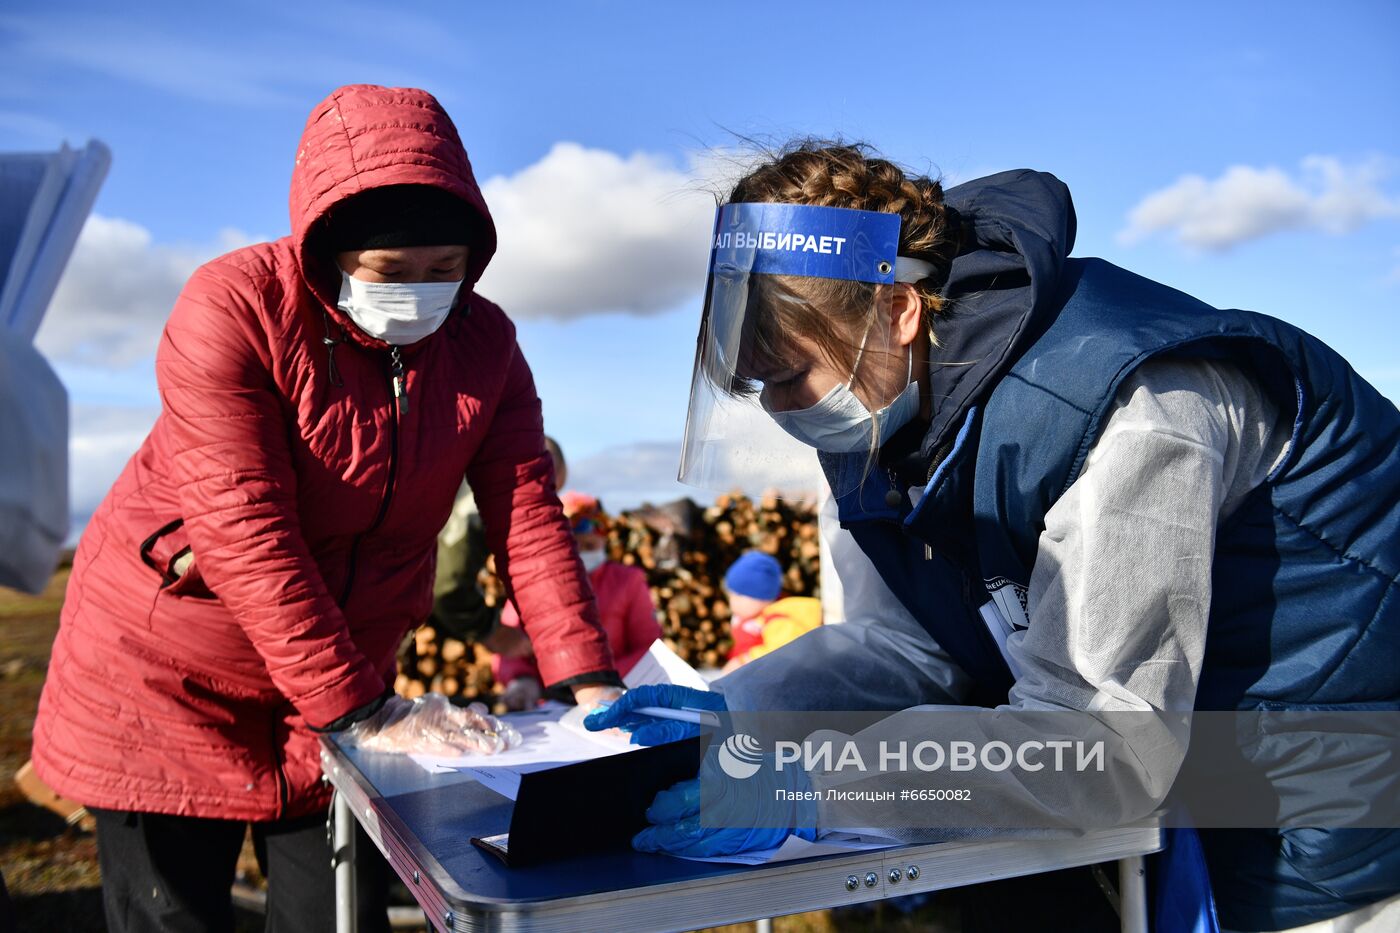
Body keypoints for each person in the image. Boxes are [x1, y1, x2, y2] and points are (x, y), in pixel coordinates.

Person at [588, 142, 1400, 932]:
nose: (782, 411)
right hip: (1180, 790)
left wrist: (817, 783)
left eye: (793, 376)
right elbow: (910, 647)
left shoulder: (1131, 403)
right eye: (761, 387)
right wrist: (741, 713)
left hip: (1324, 802)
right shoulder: (883, 425)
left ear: (899, 311)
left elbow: (1102, 743)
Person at [30, 84, 622, 933]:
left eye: (444, 272)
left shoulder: (486, 344)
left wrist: (586, 677)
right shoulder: (233, 307)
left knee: (337, 915)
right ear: (331, 256)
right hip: (170, 664)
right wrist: (361, 711)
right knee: (172, 915)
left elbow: (526, 507)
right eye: (391, 275)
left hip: (342, 671)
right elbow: (245, 531)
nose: (421, 293)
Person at [495, 492, 663, 708]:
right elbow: (509, 638)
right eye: (574, 546)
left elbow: (649, 648)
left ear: (603, 541)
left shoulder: (627, 581)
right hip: (547, 703)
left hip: (612, 696)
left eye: (590, 546)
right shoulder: (533, 582)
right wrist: (522, 679)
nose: (582, 553)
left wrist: (600, 680)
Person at [429, 435, 569, 661]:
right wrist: (491, 630)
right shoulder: (478, 503)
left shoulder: (467, 475)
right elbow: (446, 585)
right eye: (550, 490)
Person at [718, 551, 821, 673]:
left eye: (739, 596)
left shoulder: (777, 620)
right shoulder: (754, 618)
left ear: (761, 596)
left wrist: (745, 660)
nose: (732, 601)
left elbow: (783, 652)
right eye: (730, 595)